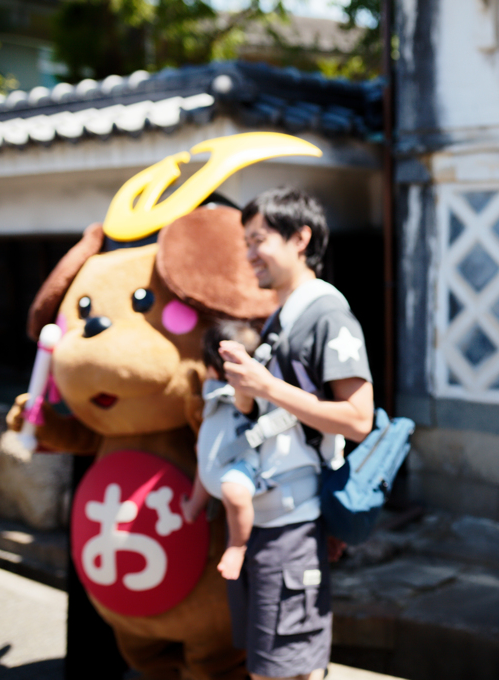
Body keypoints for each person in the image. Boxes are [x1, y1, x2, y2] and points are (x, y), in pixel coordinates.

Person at [220, 187, 374, 680]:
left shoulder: (326, 314)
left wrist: (265, 385)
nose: (249, 254)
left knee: (285, 669)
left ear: (300, 237)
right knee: (270, 665)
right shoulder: (280, 317)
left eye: (258, 239)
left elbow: (356, 418)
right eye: (246, 241)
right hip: (270, 517)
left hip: (292, 524)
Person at [181, 320, 269, 580]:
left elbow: (249, 405)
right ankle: (195, 504)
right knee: (203, 456)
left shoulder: (244, 391)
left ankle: (237, 545)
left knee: (234, 493)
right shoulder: (212, 389)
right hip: (212, 459)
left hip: (239, 464)